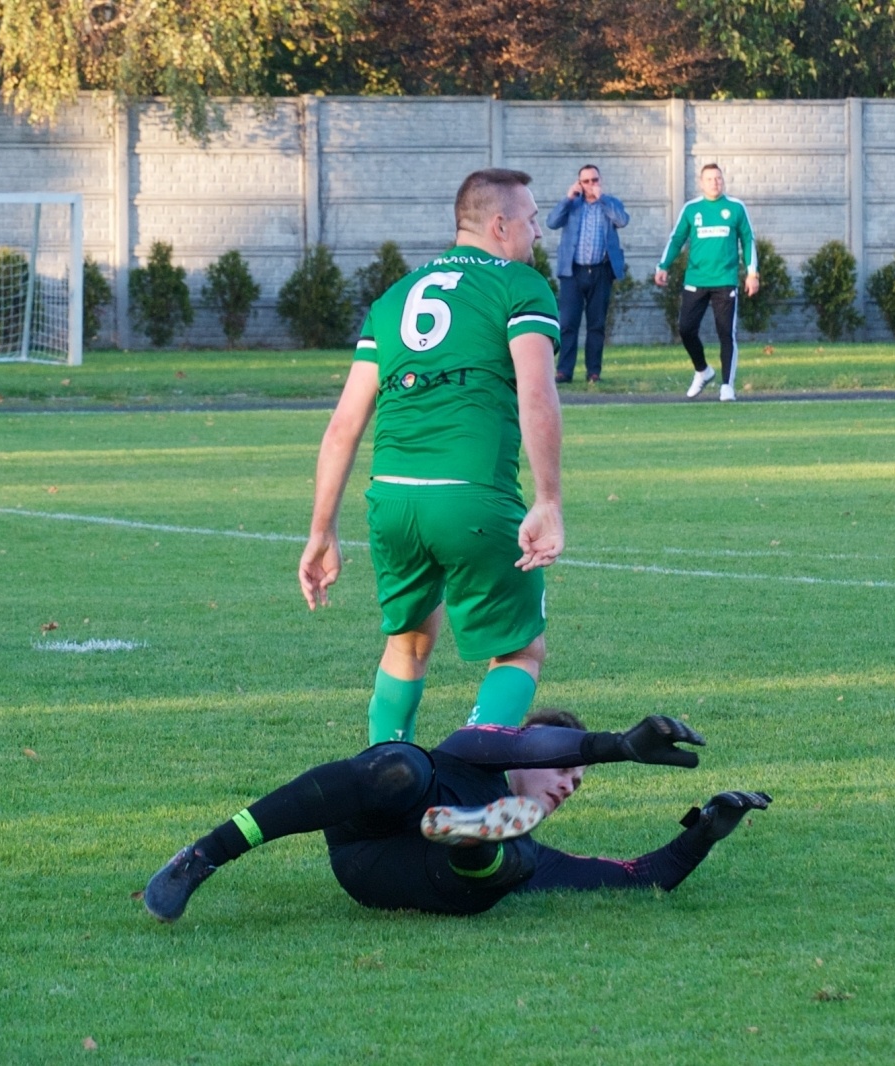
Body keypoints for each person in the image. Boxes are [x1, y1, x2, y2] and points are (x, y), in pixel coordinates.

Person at [298, 169, 564, 745]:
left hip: (392, 500)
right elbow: (537, 394)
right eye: (532, 219)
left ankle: (380, 787)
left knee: (409, 643)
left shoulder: (393, 298)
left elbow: (344, 424)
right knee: (520, 649)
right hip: (471, 496)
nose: (538, 233)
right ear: (500, 225)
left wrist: (322, 531)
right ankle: (470, 771)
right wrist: (547, 500)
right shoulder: (520, 285)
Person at [143, 710, 771, 920]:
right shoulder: (476, 749)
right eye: (565, 772)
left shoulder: (531, 841)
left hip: (407, 876)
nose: (572, 784)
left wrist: (704, 835)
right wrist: (615, 746)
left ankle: (475, 842)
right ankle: (205, 854)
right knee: (402, 768)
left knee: (516, 863)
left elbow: (637, 876)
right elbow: (533, 745)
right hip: (366, 831)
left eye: (579, 780)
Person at [654, 163, 758, 402]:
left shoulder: (735, 208)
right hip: (696, 279)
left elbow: (748, 241)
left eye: (718, 178)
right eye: (710, 179)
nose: (715, 183)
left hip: (725, 280)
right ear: (701, 183)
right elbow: (677, 238)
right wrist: (663, 266)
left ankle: (726, 386)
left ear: (723, 181)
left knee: (725, 333)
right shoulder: (692, 209)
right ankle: (703, 370)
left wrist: (752, 273)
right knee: (686, 329)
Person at [546, 164, 629, 384]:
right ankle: (564, 371)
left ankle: (594, 372)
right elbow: (552, 222)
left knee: (596, 324)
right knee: (568, 323)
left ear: (600, 181)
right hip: (572, 272)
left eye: (595, 180)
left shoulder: (610, 203)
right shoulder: (572, 205)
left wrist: (603, 200)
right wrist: (567, 198)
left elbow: (622, 220)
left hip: (601, 271)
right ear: (579, 183)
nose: (591, 185)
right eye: (586, 181)